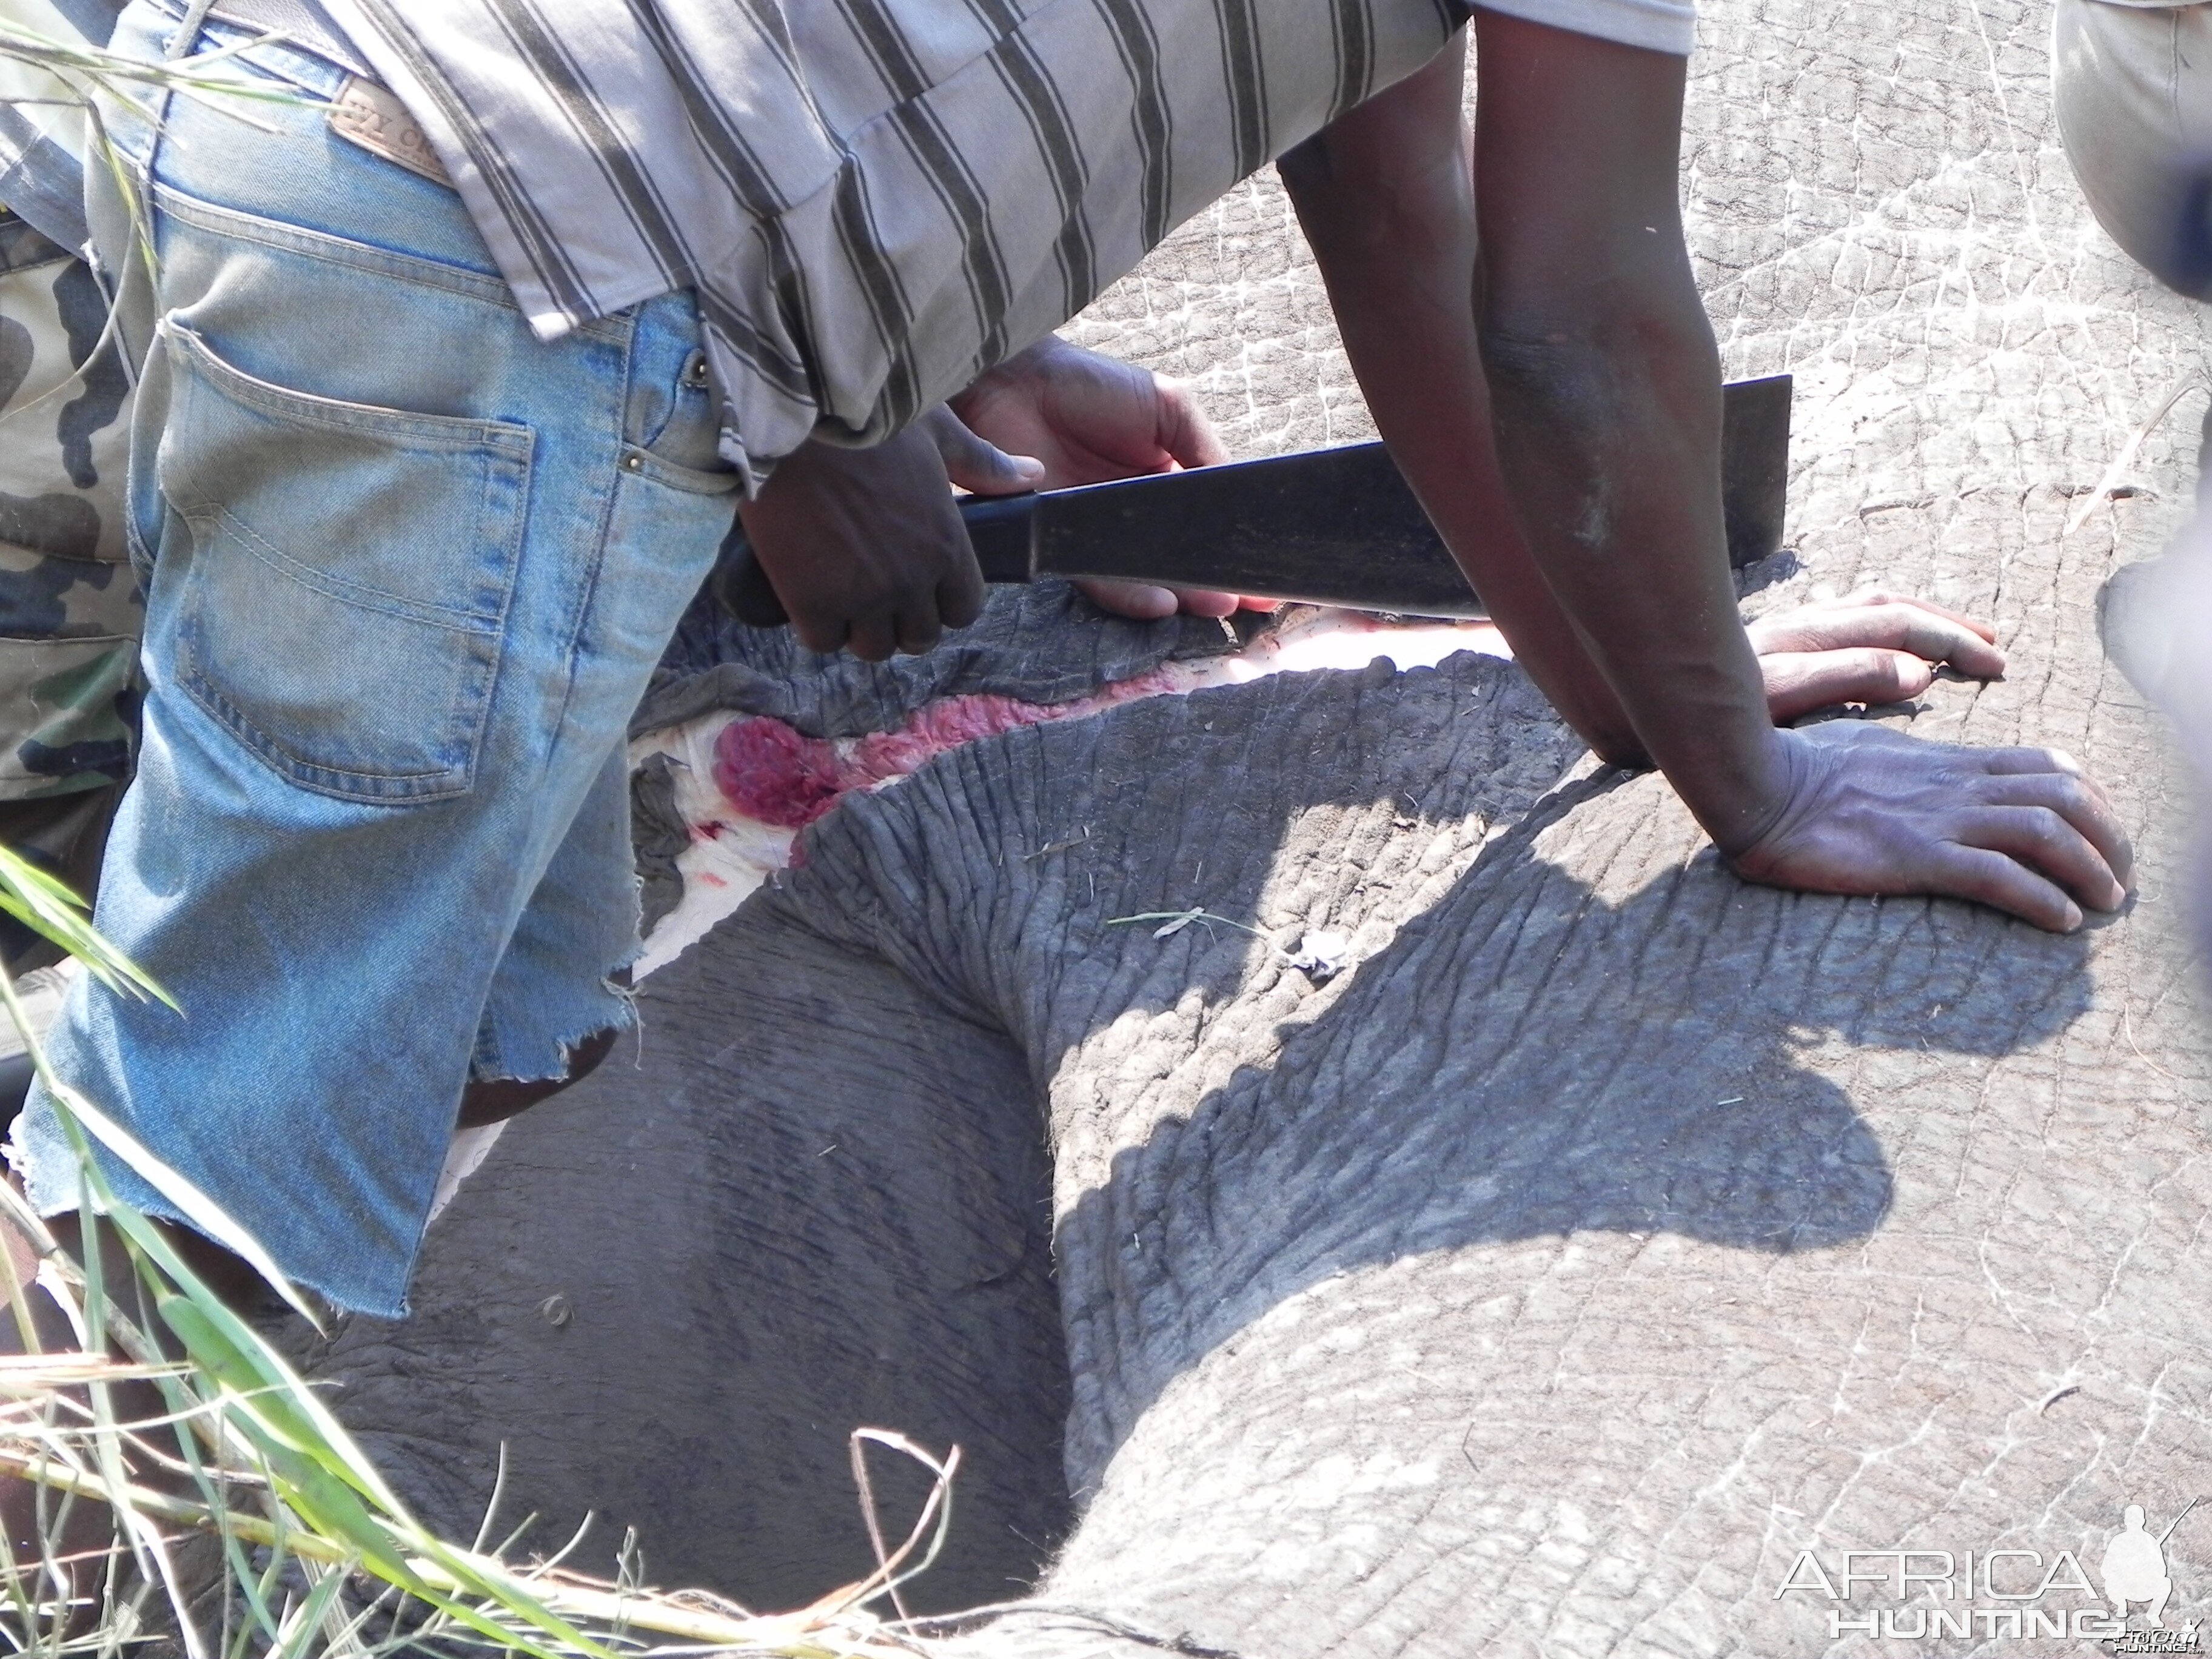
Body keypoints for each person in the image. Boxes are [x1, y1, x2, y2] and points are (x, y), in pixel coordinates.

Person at [0, 0, 2128, 1341]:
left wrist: (1656, 691)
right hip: (505, 279)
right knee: (205, 1178)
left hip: (284, 151)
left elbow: (1410, 240)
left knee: (490, 1010)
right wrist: (1748, 782)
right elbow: (1574, 319)